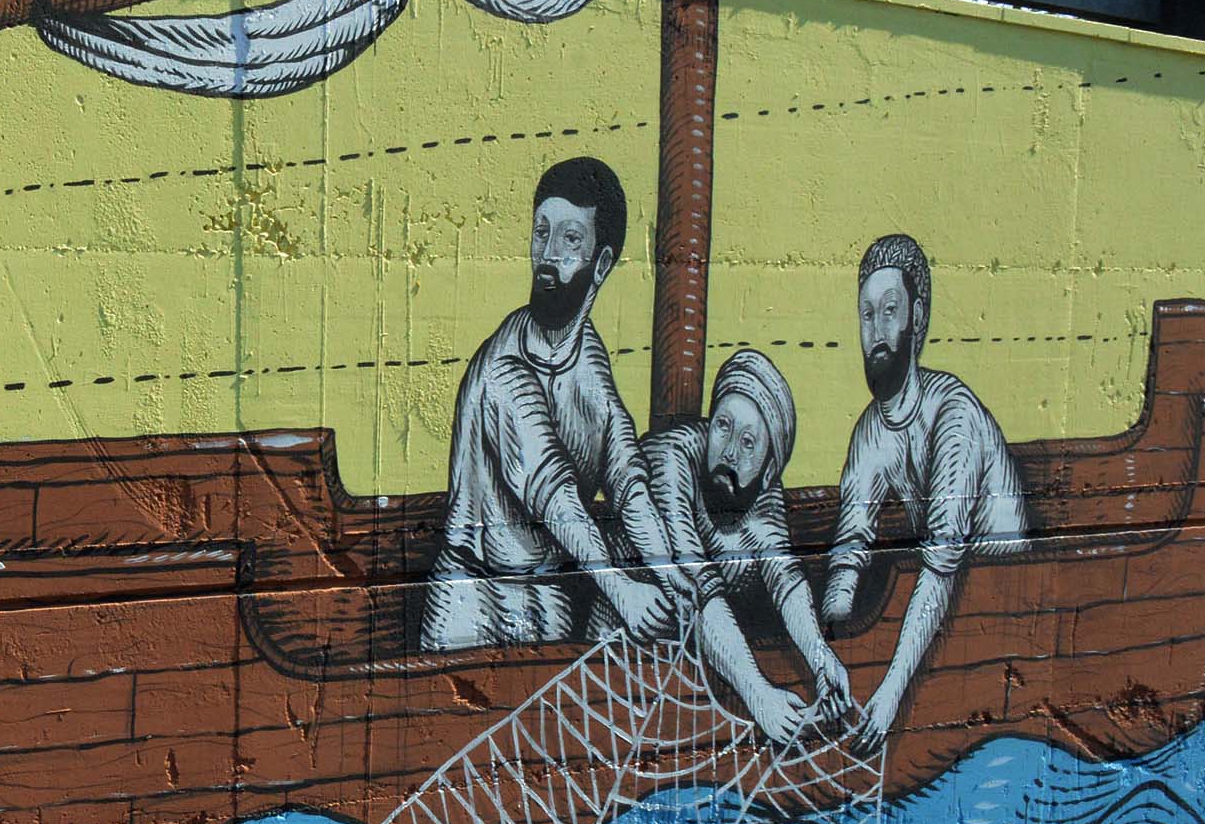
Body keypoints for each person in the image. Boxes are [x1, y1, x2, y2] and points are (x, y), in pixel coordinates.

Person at [418, 156, 672, 652]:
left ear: (601, 264)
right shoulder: (502, 367)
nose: (547, 256)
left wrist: (677, 574)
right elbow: (553, 495)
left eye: (569, 239)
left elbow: (627, 479)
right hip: (470, 603)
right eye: (541, 233)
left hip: (550, 598)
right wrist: (623, 590)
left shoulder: (589, 359)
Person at [820, 233, 1031, 747]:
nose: (877, 330)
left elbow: (942, 564)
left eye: (890, 310)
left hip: (1000, 606)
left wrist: (889, 695)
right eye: (867, 315)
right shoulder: (871, 433)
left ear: (916, 316)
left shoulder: (952, 414)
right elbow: (850, 548)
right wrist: (829, 646)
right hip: (938, 609)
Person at [606, 348, 852, 744]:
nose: (730, 451)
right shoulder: (670, 459)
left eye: (749, 442)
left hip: (694, 667)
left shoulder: (762, 495)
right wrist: (757, 693)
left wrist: (822, 658)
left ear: (769, 465)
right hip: (620, 660)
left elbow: (785, 579)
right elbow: (696, 588)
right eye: (723, 426)